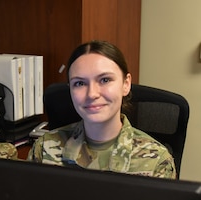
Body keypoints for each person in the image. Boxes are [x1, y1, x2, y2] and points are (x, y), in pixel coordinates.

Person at [27, 40, 176, 179]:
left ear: (126, 84)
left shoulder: (156, 161)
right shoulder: (44, 149)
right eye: (79, 83)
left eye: (105, 80)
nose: (92, 94)